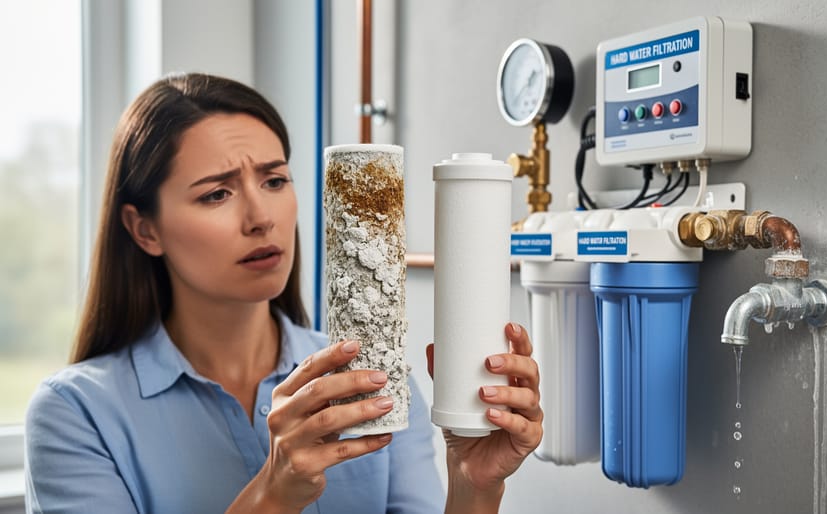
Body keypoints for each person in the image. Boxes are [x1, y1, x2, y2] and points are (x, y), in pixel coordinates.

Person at [24, 72, 543, 514]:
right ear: (145, 230)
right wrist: (273, 492)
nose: (261, 218)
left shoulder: (375, 384)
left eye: (274, 181)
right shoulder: (75, 414)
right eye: (217, 193)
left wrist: (474, 484)